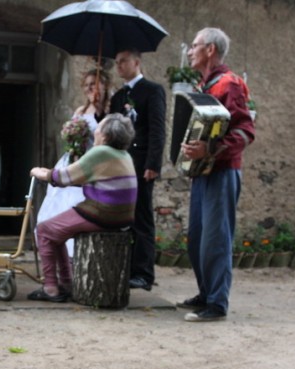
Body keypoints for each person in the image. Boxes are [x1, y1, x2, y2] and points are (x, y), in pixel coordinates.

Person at [177, 27, 255, 322]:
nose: (189, 51)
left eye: (194, 45)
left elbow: (246, 131)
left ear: (210, 49)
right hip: (204, 173)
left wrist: (211, 150)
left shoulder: (229, 84)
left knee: (216, 237)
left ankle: (217, 304)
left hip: (222, 172)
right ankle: (206, 292)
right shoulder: (206, 85)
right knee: (197, 237)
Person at [27, 114, 137, 302]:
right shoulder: (123, 155)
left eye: (99, 128)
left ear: (106, 136)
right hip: (121, 216)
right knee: (56, 232)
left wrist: (39, 172)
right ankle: (67, 283)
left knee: (44, 230)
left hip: (102, 213)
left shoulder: (100, 153)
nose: (96, 131)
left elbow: (63, 178)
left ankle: (51, 288)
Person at [36, 68, 111, 256]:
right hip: (72, 159)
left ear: (104, 85)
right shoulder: (81, 110)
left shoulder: (109, 110)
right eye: (86, 85)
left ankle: (77, 251)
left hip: (91, 162)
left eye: (94, 84)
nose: (90, 88)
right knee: (61, 202)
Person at [109, 49, 166, 292]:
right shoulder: (118, 96)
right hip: (120, 164)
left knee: (142, 218)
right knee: (122, 218)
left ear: (137, 62)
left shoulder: (152, 91)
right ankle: (126, 267)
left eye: (123, 61)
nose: (119, 65)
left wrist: (153, 164)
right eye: (117, 61)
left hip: (141, 165)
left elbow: (157, 129)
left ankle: (144, 274)